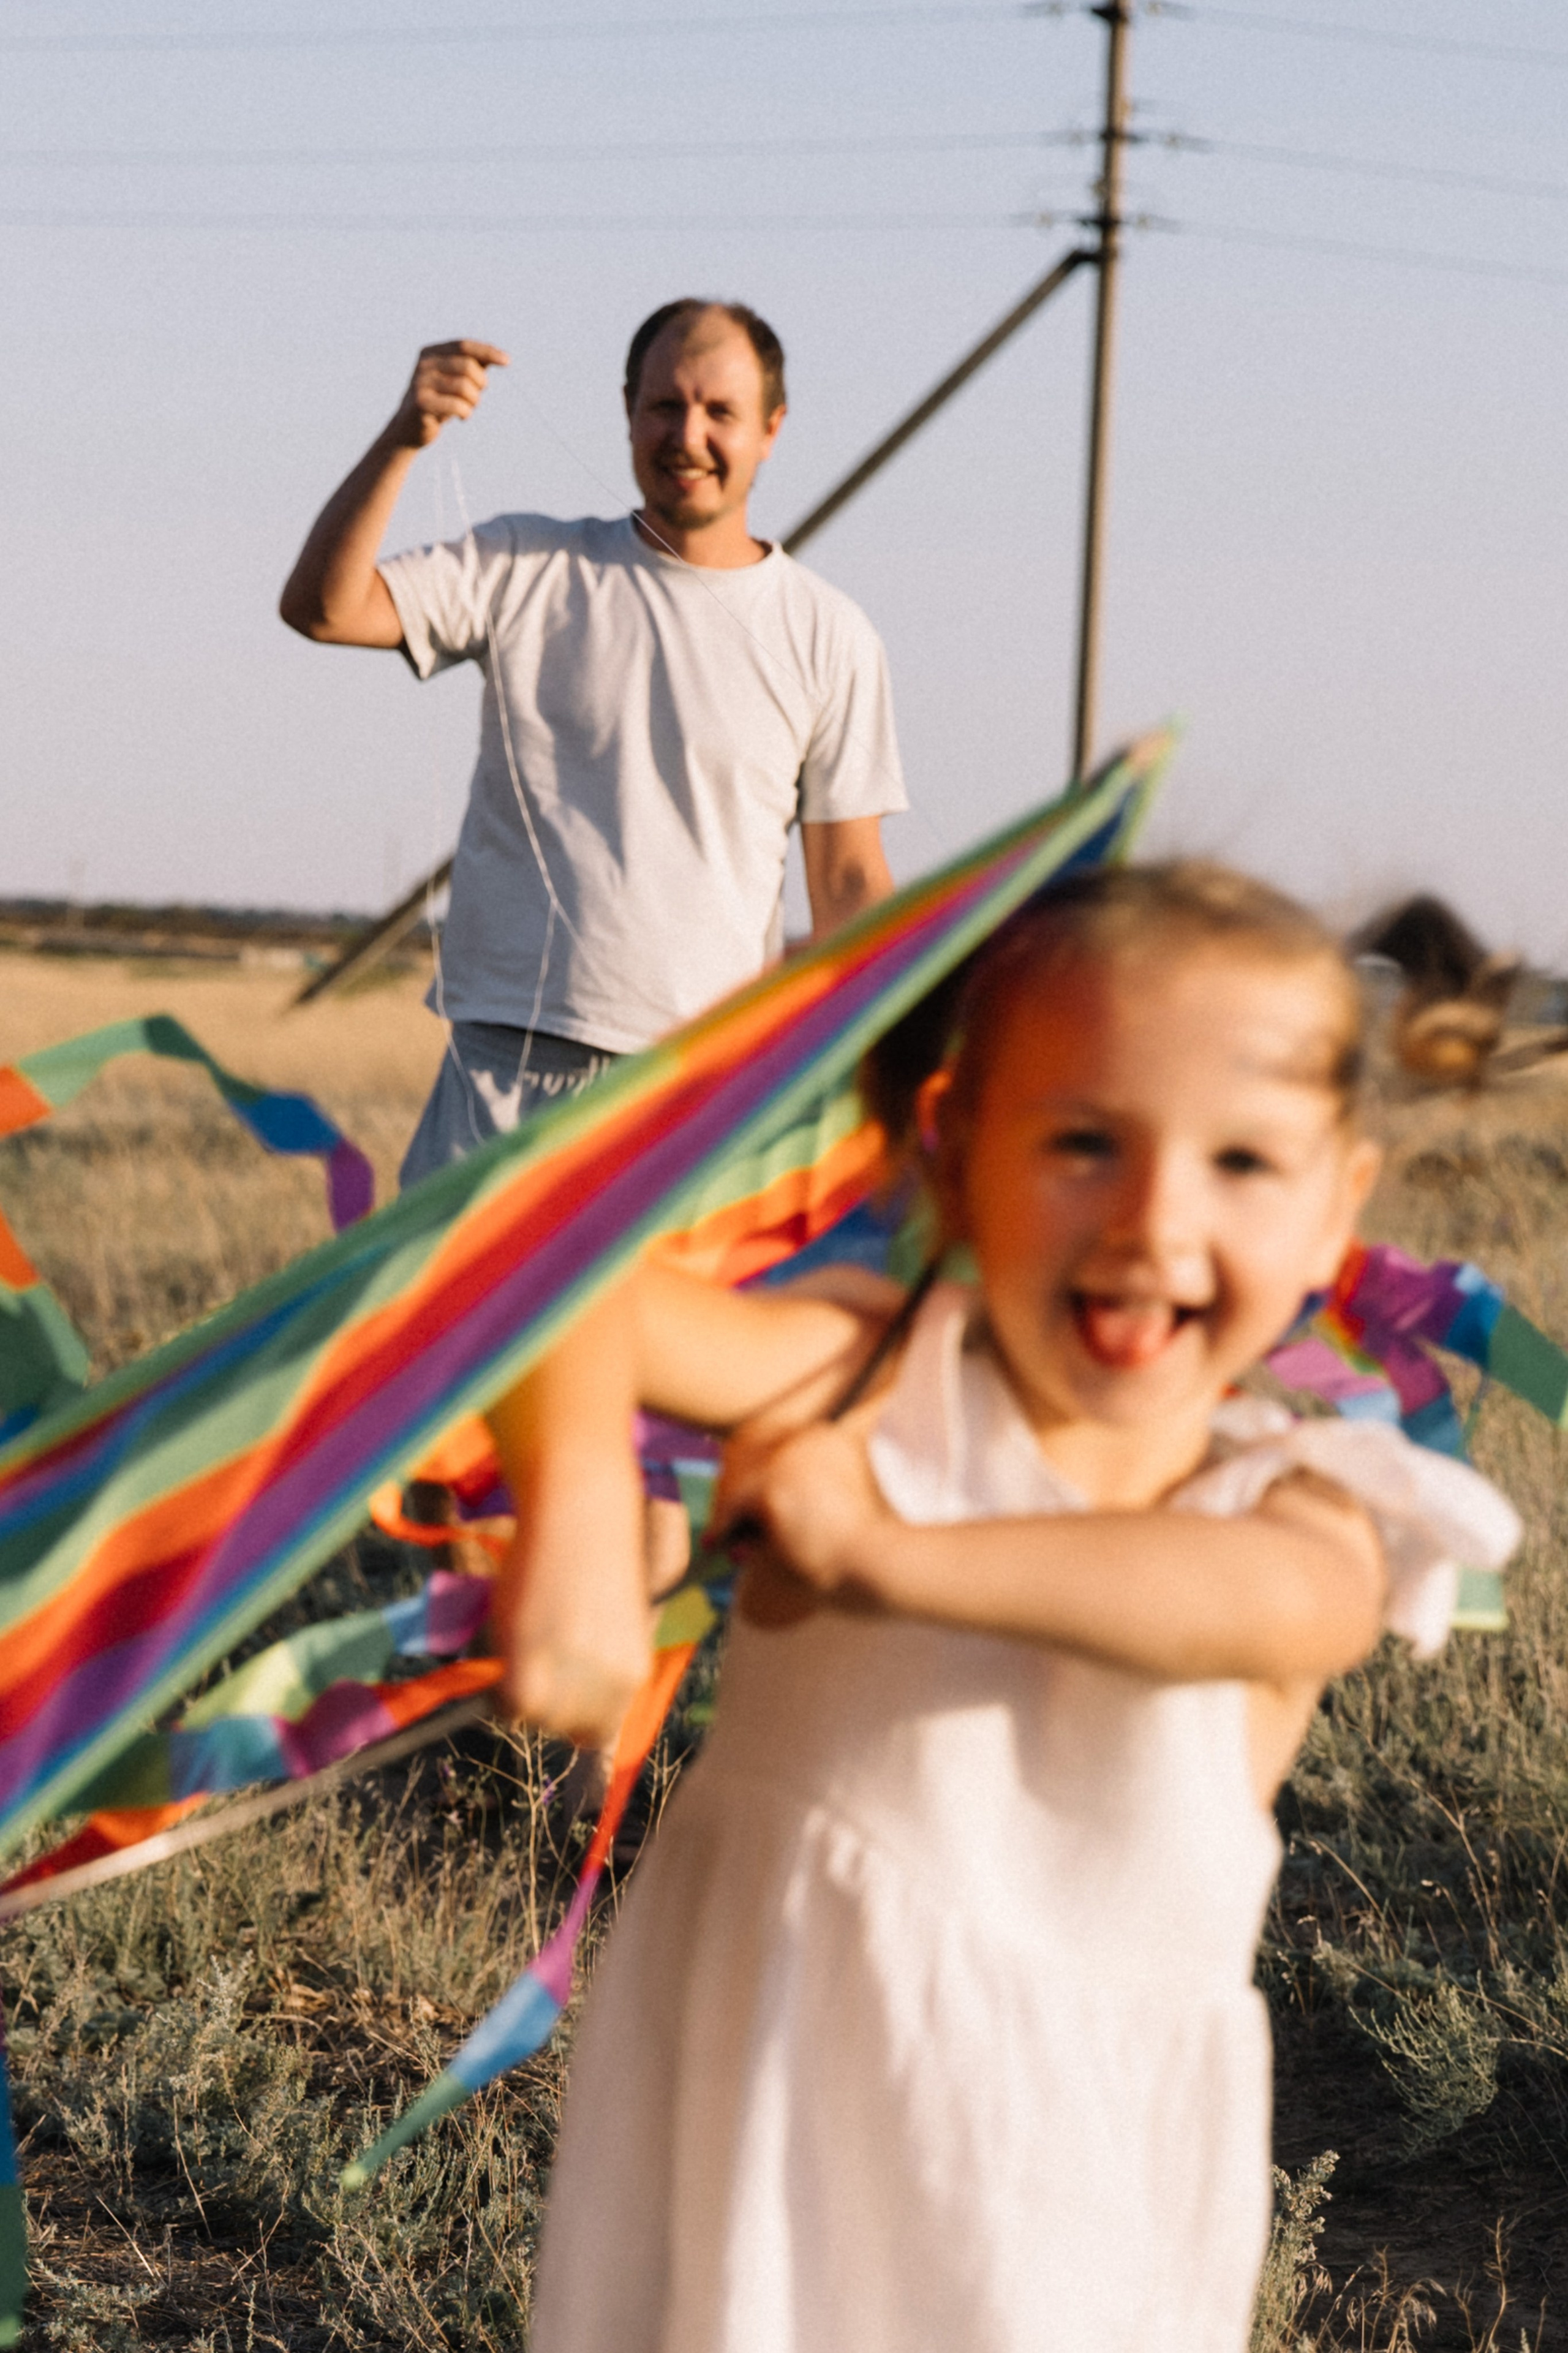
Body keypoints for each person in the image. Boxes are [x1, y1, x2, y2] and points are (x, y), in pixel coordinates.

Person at [484, 859, 1520, 2352]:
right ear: (952, 1149)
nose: (1154, 1219)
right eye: (1083, 1141)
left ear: (1332, 1208)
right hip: (755, 2102)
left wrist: (887, 1553)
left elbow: (1275, 1607)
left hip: (1058, 2198)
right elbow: (553, 1279)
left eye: (1240, 1164)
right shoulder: (867, 1373)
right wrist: (582, 1514)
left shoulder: (1302, 1495)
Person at [279, 301, 907, 1188]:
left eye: (720, 412)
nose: (687, 436)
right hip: (501, 1080)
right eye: (665, 406)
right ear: (626, 410)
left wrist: (886, 1076)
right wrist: (405, 438)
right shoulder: (526, 564)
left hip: (700, 1096)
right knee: (460, 1331)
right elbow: (324, 608)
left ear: (772, 429)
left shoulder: (831, 634)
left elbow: (848, 882)